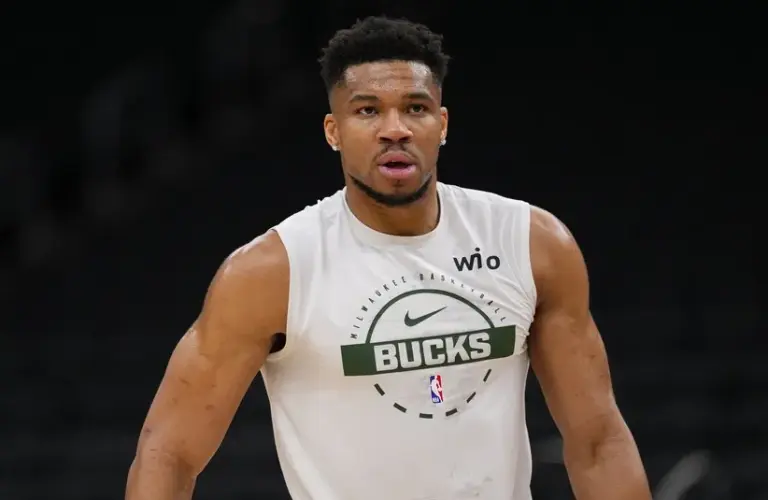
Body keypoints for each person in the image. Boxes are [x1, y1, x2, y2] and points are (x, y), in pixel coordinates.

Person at [125, 16, 652, 500]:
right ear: (334, 132)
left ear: (441, 124)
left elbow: (598, 440)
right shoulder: (272, 272)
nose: (394, 128)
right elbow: (168, 451)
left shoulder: (531, 243)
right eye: (367, 110)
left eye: (415, 108)